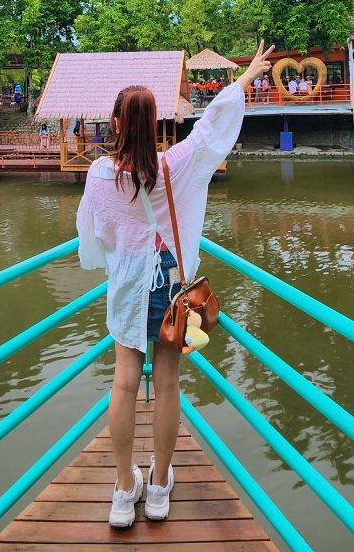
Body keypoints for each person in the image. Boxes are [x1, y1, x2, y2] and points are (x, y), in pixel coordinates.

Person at [77, 39, 273, 528]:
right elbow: (213, 126)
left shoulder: (100, 176)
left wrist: (120, 255)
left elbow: (94, 236)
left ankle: (125, 492)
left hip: (126, 287)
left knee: (124, 383)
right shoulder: (177, 164)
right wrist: (247, 77)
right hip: (170, 289)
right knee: (167, 384)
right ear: (156, 121)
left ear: (117, 123)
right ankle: (160, 485)